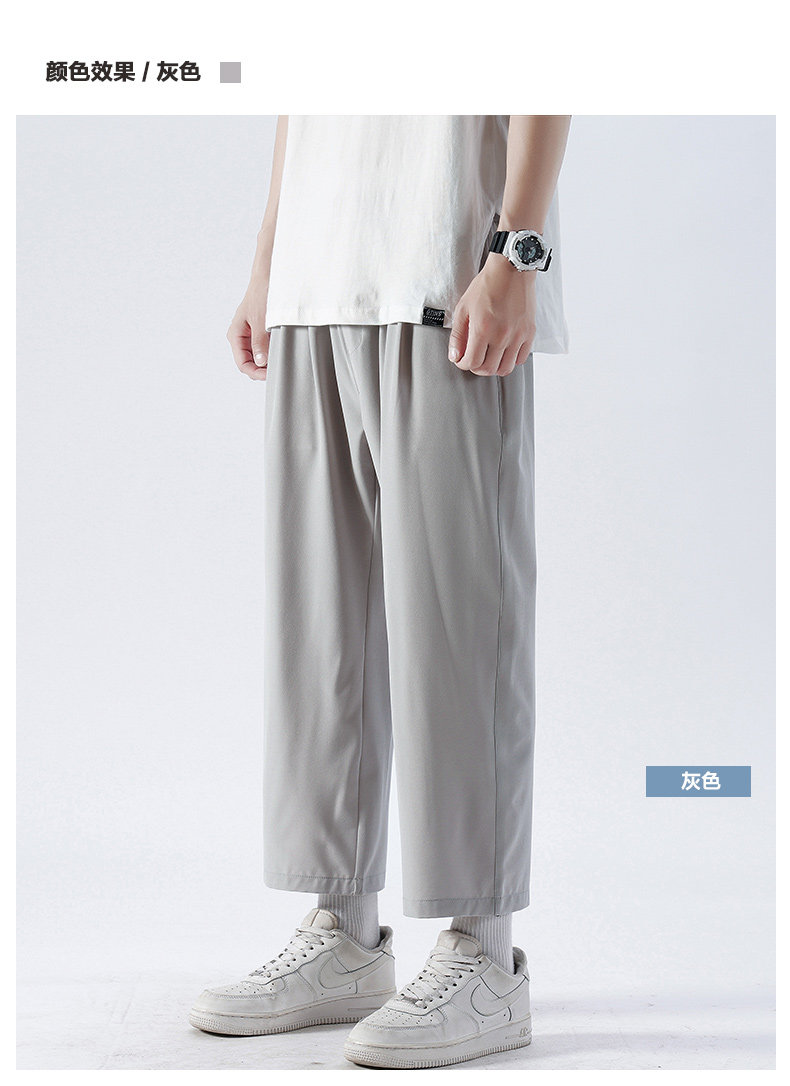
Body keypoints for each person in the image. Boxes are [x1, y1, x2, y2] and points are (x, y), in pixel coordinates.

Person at [190, 114, 571, 1069]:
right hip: (316, 275)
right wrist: (268, 259)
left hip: (447, 268)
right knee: (321, 631)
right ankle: (344, 938)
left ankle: (485, 956)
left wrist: (518, 250)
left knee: (459, 630)